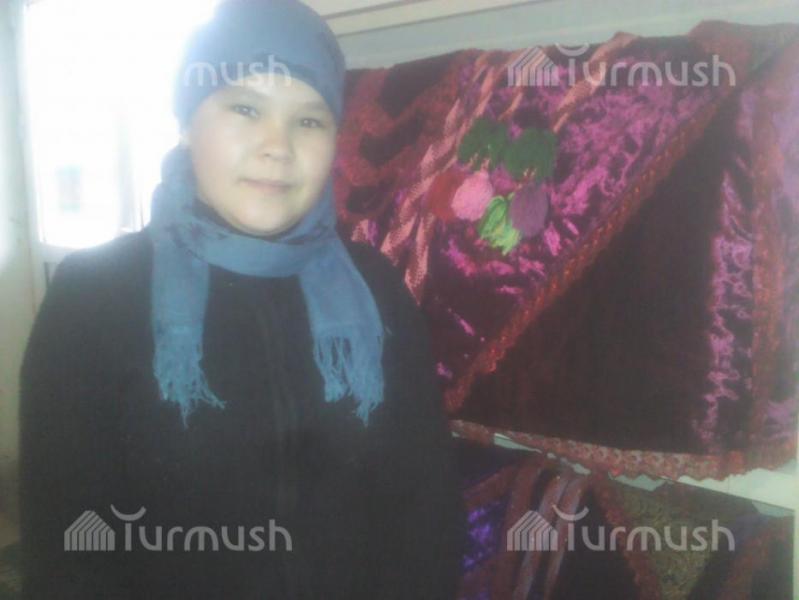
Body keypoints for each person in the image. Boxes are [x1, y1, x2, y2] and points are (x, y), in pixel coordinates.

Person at [17, 0, 467, 598]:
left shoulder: (376, 288)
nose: (277, 146)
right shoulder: (92, 299)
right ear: (187, 122)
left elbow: (426, 515)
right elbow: (70, 553)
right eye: (246, 108)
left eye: (309, 120)